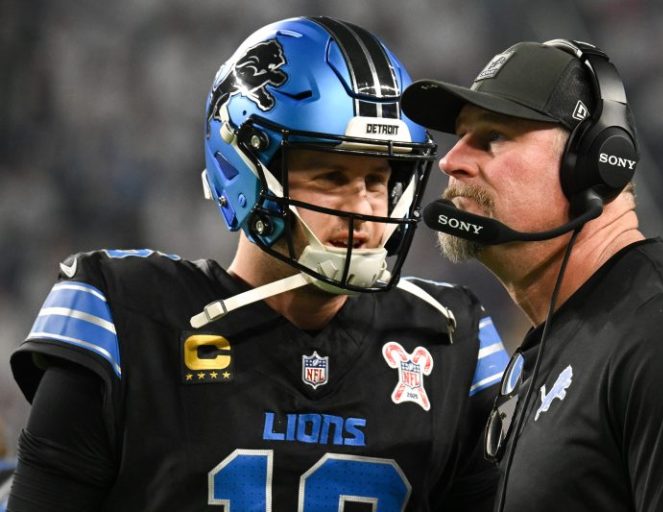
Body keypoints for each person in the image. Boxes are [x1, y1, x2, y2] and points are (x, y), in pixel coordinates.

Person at [6, 17, 510, 511]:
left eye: (377, 180)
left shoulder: (448, 336)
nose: (363, 208)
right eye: (332, 177)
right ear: (246, 172)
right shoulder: (126, 315)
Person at [401, 39, 663, 511]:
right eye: (459, 136)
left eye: (492, 137)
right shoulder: (546, 353)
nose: (451, 161)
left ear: (594, 163)